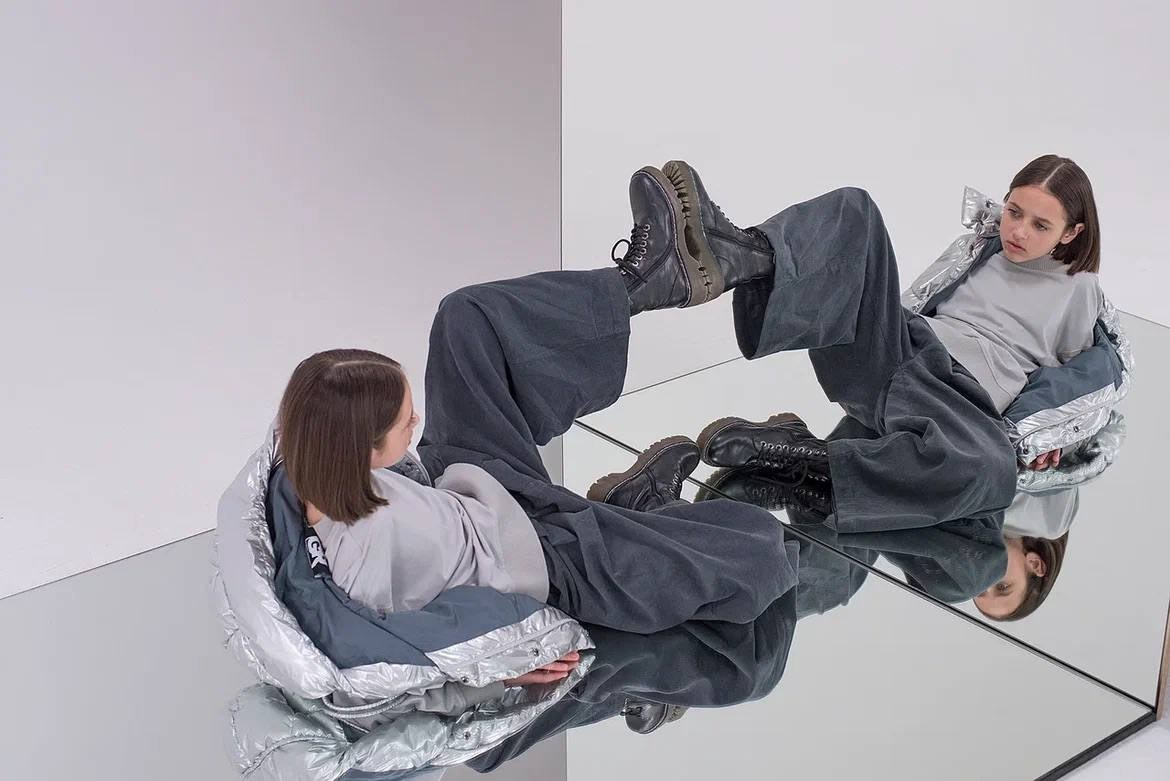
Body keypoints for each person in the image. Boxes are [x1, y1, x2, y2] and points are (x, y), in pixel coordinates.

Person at [640, 155, 1129, 534]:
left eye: (1040, 225)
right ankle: (735, 254)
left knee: (989, 469)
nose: (1018, 231)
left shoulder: (1080, 291)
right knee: (855, 211)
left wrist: (1054, 437)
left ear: (1072, 233)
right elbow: (911, 303)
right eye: (1014, 211)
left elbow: (1088, 380)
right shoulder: (982, 248)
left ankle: (805, 457)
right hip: (904, 353)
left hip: (960, 403)